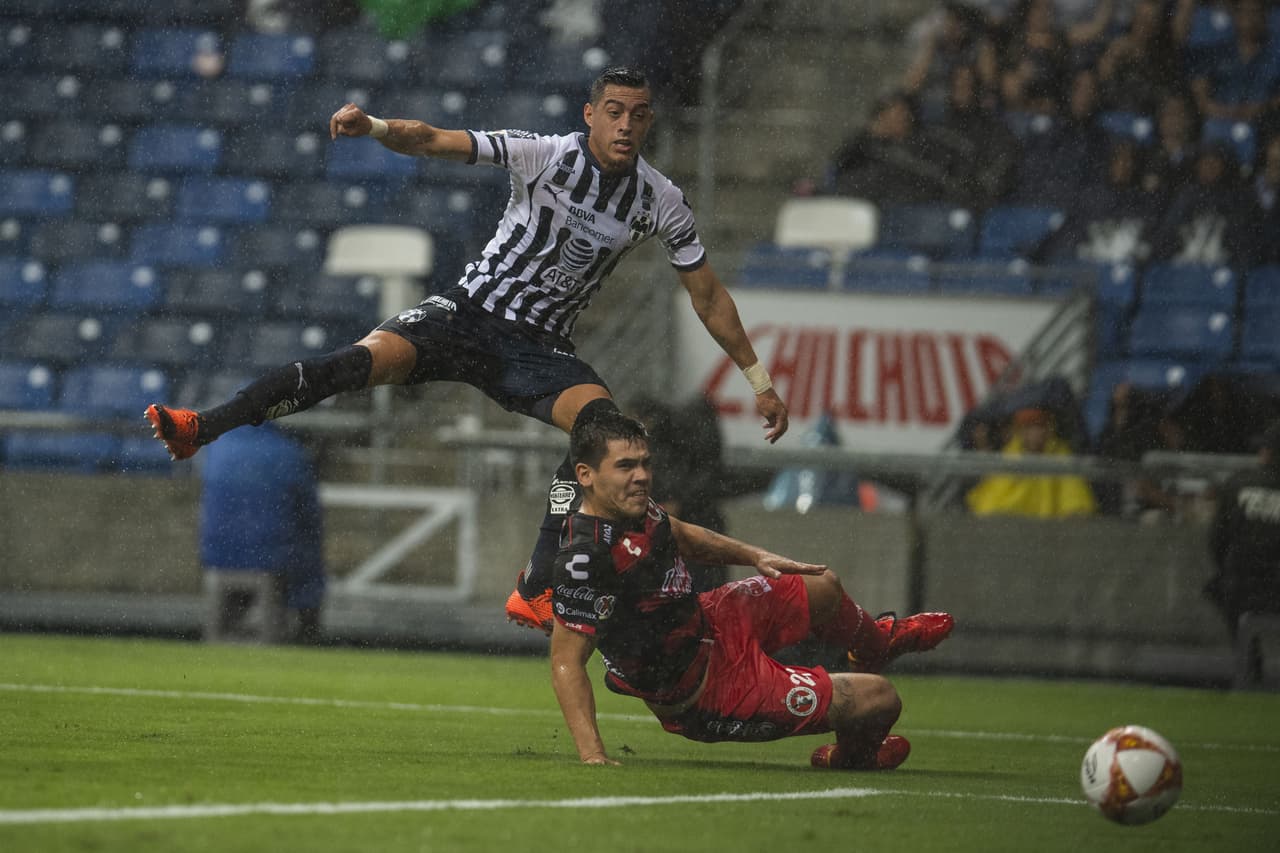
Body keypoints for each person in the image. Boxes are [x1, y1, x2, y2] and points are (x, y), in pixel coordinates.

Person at [143, 66, 789, 635]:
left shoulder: (660, 199)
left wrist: (759, 380)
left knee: (605, 432)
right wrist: (374, 126)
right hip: (468, 315)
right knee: (354, 363)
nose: (626, 126)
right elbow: (431, 139)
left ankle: (535, 583)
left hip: (539, 348)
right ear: (590, 114)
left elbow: (708, 297)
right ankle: (202, 427)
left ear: (649, 122)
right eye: (614, 112)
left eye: (638, 115)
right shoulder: (543, 154)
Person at [548, 408, 954, 767]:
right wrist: (592, 754)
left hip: (712, 621)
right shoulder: (586, 557)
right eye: (626, 466)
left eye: (644, 463)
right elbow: (566, 661)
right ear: (586, 474)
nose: (641, 476)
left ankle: (874, 646)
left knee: (822, 585)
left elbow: (679, 533)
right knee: (880, 698)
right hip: (708, 690)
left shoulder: (629, 504)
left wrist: (755, 555)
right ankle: (851, 756)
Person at [1205, 420, 1280, 638]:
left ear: (1267, 452)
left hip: (1242, 590)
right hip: (1273, 589)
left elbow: (1216, 542)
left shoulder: (1238, 483)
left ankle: (1247, 652)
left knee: (1220, 587)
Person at [965, 406, 1098, 518]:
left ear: (1049, 429)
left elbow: (1075, 498)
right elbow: (990, 503)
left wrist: (1075, 512)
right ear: (1020, 431)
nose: (1036, 433)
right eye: (1029, 427)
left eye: (1040, 426)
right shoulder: (1010, 456)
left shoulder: (1061, 455)